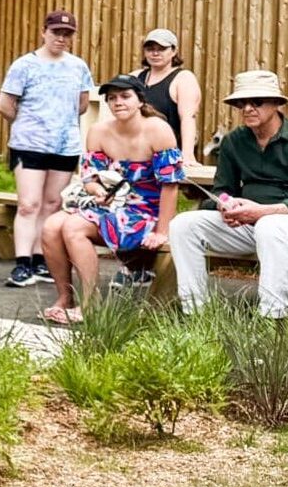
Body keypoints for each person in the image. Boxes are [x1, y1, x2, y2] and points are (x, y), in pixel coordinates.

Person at [169, 71, 288, 318]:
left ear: (276, 104)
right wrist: (226, 205)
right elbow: (222, 189)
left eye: (256, 102)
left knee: (271, 227)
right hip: (251, 225)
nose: (247, 108)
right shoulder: (234, 141)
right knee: (183, 224)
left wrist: (263, 211)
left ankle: (272, 317)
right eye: (241, 103)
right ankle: (195, 312)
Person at [37, 76, 183, 325]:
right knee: (51, 226)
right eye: (112, 98)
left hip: (146, 210)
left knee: (73, 228)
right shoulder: (99, 131)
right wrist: (96, 191)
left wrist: (162, 231)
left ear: (140, 100)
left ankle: (91, 305)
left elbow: (170, 185)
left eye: (125, 96)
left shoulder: (158, 130)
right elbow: (90, 177)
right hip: (110, 203)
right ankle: (65, 298)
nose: (118, 102)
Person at [0, 11, 96, 288]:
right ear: (44, 32)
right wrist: (29, 123)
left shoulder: (78, 67)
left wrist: (59, 122)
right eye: (56, 32)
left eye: (67, 34)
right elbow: (4, 104)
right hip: (28, 144)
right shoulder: (24, 65)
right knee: (29, 203)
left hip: (64, 145)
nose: (61, 38)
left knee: (52, 203)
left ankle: (43, 258)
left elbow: (83, 104)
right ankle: (22, 262)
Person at [131, 29, 202, 162]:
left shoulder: (183, 79)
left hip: (167, 155)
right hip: (135, 153)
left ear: (174, 51)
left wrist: (187, 154)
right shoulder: (135, 77)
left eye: (162, 49)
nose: (155, 53)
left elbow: (188, 118)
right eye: (150, 49)